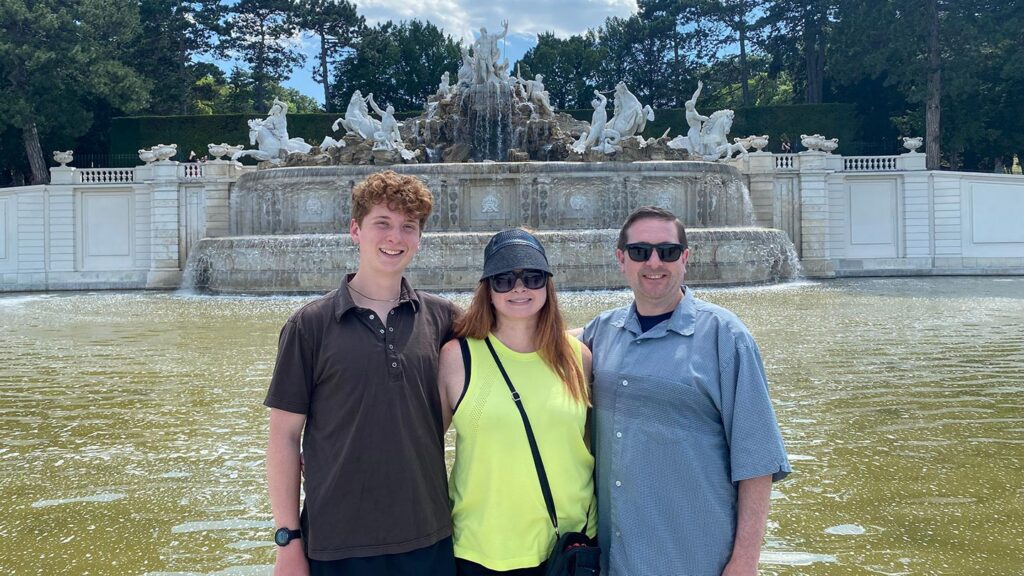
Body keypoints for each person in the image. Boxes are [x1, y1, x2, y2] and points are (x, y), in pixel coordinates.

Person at [265, 171, 460, 576]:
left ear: (419, 238)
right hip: (337, 543)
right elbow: (283, 437)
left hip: (428, 537)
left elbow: (517, 335)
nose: (395, 237)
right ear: (356, 230)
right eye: (382, 224)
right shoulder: (310, 325)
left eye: (409, 227)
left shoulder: (443, 318)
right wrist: (288, 540)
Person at [579, 206, 790, 576]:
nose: (654, 262)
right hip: (615, 560)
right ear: (621, 259)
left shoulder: (727, 337)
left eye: (668, 251)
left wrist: (745, 562)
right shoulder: (602, 331)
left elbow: (757, 462)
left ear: (685, 258)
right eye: (641, 251)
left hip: (695, 558)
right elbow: (538, 344)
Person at [438, 229, 596, 576]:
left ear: (547, 285)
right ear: (487, 290)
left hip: (570, 546)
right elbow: (423, 447)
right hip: (484, 549)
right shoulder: (457, 358)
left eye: (532, 277)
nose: (519, 288)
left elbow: (588, 445)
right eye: (504, 279)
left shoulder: (577, 358)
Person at [684, 81, 710, 155]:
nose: (692, 107)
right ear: (688, 108)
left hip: (696, 130)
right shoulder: (691, 114)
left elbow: (694, 97)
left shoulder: (691, 107)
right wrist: (708, 119)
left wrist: (699, 88)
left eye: (693, 106)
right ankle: (697, 153)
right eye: (691, 107)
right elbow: (700, 117)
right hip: (694, 130)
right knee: (697, 145)